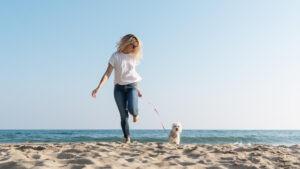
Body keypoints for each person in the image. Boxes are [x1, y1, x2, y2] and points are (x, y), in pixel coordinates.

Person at [91, 34, 143, 143]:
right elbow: (107, 74)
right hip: (118, 88)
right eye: (133, 46)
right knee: (123, 115)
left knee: (132, 109)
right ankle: (127, 137)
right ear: (127, 44)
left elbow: (132, 74)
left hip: (132, 86)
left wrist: (137, 89)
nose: (134, 48)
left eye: (136, 47)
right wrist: (98, 87)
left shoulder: (133, 56)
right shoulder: (115, 56)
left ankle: (136, 114)